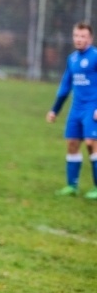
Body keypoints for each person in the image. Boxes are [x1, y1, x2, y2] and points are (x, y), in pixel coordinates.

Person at [46, 21, 97, 199]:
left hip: (92, 106)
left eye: (83, 36)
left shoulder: (95, 56)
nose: (79, 39)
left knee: (92, 144)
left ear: (90, 38)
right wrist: (54, 110)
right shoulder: (72, 59)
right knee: (72, 144)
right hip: (77, 108)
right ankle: (72, 186)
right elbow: (65, 87)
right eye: (76, 35)